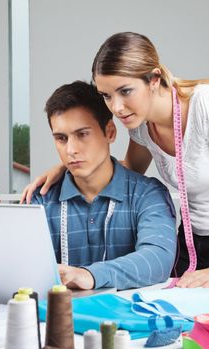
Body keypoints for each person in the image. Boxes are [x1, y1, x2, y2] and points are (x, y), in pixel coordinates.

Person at [22, 32, 209, 289]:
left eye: (125, 91)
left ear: (154, 79)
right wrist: (69, 166)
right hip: (195, 237)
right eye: (106, 95)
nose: (116, 107)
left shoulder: (208, 105)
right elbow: (124, 173)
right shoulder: (141, 125)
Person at [31, 80, 176, 290]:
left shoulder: (148, 194)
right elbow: (21, 266)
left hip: (128, 320)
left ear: (110, 132)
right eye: (61, 138)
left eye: (82, 134)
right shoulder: (40, 200)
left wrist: (91, 275)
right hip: (57, 320)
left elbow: (158, 259)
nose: (71, 149)